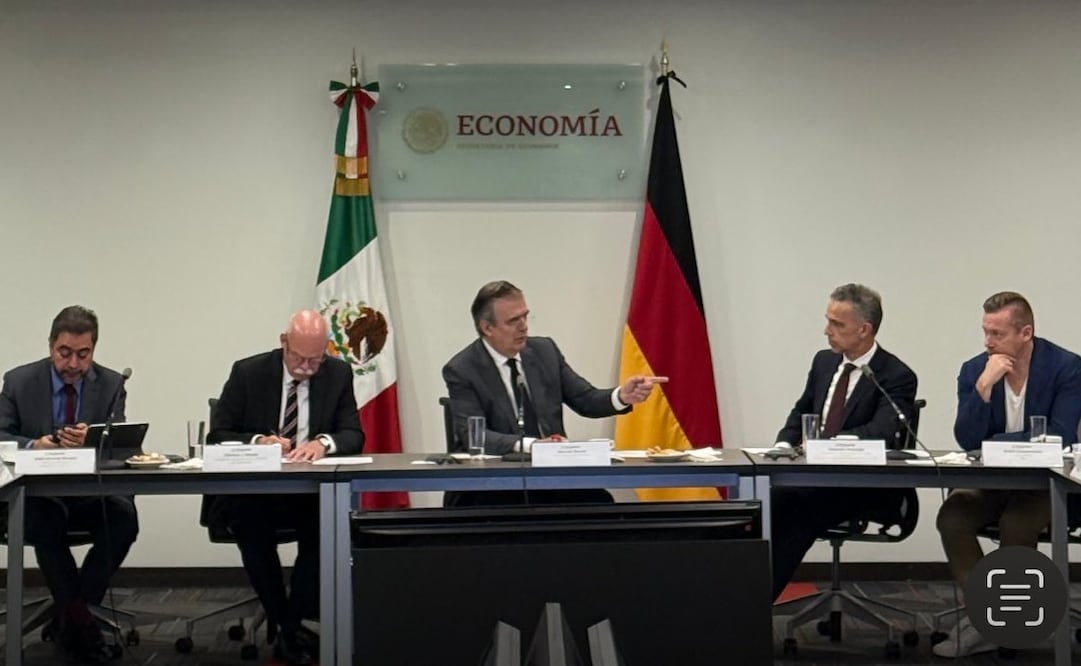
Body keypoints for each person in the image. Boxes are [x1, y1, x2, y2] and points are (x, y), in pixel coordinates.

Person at [207, 309, 364, 666]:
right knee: (248, 523)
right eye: (299, 358)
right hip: (257, 492)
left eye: (315, 359)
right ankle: (288, 625)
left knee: (327, 527)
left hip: (308, 490)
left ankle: (288, 626)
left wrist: (323, 442)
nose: (307, 367)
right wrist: (259, 440)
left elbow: (354, 433)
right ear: (283, 343)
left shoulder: (337, 374)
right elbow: (218, 435)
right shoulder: (248, 372)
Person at [933, 291, 1081, 657]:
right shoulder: (975, 370)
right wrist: (983, 389)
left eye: (997, 334)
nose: (988, 341)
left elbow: (1060, 434)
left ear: (1025, 333)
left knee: (1017, 524)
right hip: (993, 483)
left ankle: (1009, 624)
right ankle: (987, 615)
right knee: (952, 515)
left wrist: (994, 443)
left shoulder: (1066, 367)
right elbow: (967, 439)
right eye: (985, 331)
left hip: (1046, 486)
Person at [442, 280, 665, 506]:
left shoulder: (544, 351)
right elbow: (473, 435)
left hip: (550, 476)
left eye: (525, 316)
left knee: (599, 503)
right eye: (513, 321)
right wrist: (533, 445)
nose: (524, 326)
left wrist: (621, 396)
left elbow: (585, 399)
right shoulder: (462, 369)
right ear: (487, 328)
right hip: (496, 480)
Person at [0, 305, 139, 663]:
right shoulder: (18, 381)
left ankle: (70, 616)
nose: (74, 364)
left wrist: (92, 440)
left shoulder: (111, 384)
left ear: (94, 349)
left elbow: (117, 443)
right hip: (35, 495)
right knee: (47, 523)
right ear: (50, 347)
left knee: (124, 520)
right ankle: (83, 626)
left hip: (88, 493)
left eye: (83, 354)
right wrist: (35, 444)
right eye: (65, 353)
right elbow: (0, 434)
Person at [770, 284, 918, 600]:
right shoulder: (824, 362)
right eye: (828, 321)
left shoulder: (896, 375)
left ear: (864, 330)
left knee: (800, 513)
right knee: (769, 502)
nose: (827, 331)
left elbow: (880, 430)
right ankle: (734, 599)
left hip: (860, 485)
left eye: (837, 325)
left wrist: (830, 445)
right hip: (811, 477)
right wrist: (783, 444)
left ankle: (753, 607)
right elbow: (802, 409)